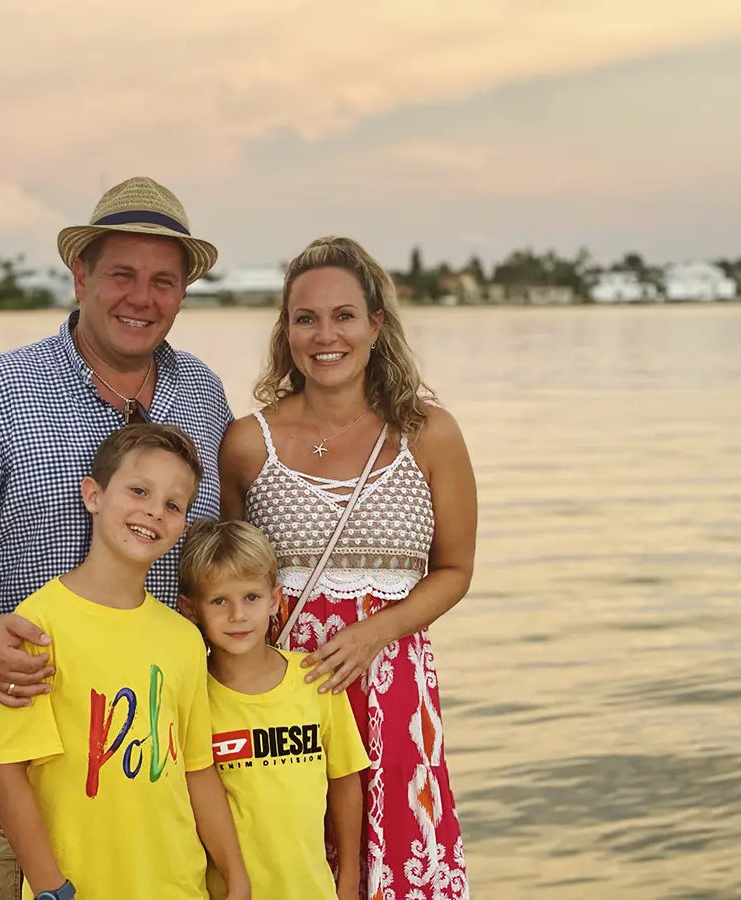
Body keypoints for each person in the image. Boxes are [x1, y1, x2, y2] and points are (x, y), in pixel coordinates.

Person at [0, 176, 234, 899]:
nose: (141, 298)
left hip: (156, 739)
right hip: (31, 740)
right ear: (80, 274)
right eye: (122, 274)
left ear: (182, 294)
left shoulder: (203, 395)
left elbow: (218, 549)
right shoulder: (1, 391)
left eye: (163, 281)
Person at [218, 236, 477, 900]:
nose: (324, 334)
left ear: (375, 325)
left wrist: (373, 633)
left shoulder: (430, 433)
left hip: (393, 696)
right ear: (286, 330)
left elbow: (453, 569)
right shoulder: (249, 444)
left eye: (343, 316)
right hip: (285, 700)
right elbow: (226, 583)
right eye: (305, 318)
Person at [0, 423, 249, 900]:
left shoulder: (183, 639)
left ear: (182, 527)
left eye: (173, 504)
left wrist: (236, 877)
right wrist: (52, 890)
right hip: (77, 889)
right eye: (139, 490)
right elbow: (8, 774)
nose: (154, 510)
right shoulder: (36, 627)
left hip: (177, 886)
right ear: (94, 495)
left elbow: (197, 768)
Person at [177, 518, 370, 900]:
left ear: (275, 600)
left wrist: (348, 879)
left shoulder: (315, 679)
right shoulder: (193, 695)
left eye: (251, 597)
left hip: (312, 889)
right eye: (219, 601)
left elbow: (345, 780)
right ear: (190, 609)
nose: (237, 615)